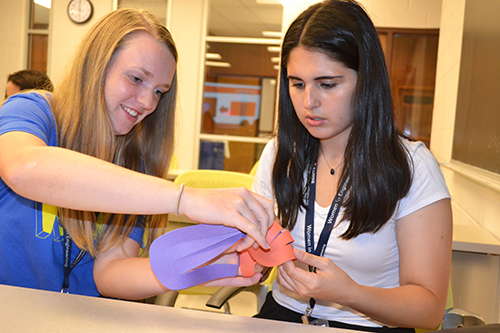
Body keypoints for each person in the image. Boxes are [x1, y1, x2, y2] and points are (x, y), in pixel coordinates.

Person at [0, 8, 273, 299]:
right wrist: (186, 198)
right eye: (136, 79)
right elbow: (23, 168)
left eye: (159, 91)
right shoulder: (33, 111)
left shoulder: (136, 164)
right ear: (96, 66)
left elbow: (109, 274)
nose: (147, 102)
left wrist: (210, 267)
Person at [252, 0, 452, 332]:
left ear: (366, 81)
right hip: (283, 316)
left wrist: (350, 294)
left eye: (327, 84)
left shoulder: (413, 166)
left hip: (366, 325)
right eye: (297, 83)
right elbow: (260, 257)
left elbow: (429, 310)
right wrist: (251, 258)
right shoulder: (278, 154)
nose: (308, 102)